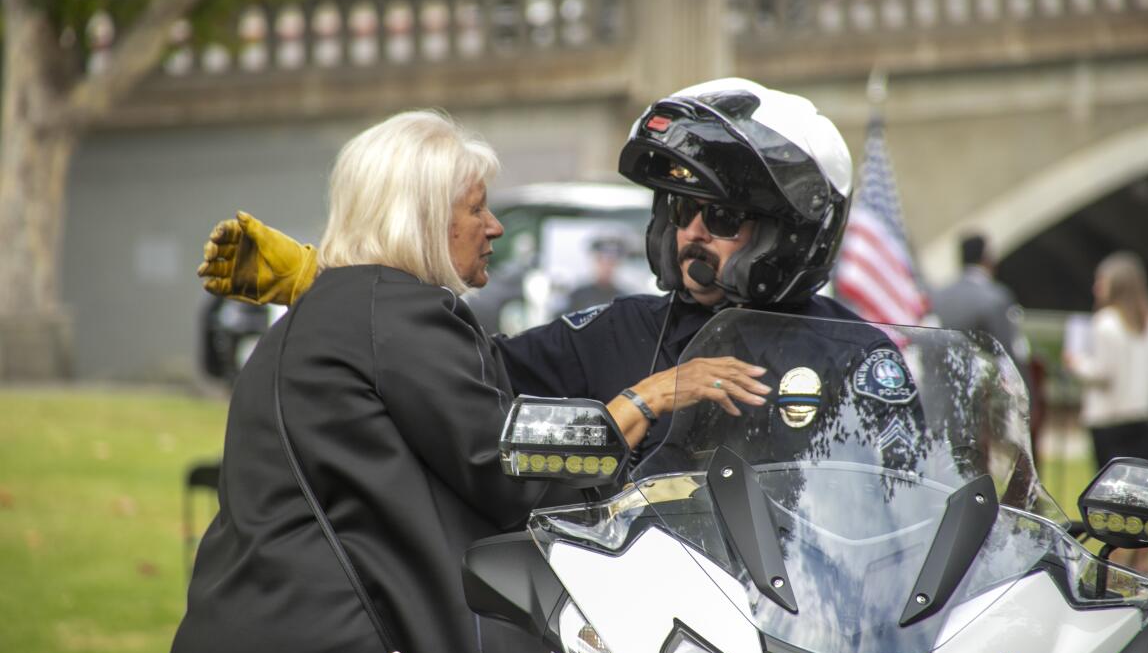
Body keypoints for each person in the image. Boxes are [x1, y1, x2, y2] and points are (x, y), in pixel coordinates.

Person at [166, 110, 749, 653]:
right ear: (419, 220)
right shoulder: (397, 309)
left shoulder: (332, 312)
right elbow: (506, 461)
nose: (494, 226)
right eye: (477, 209)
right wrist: (647, 399)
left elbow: (474, 399)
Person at [197, 78, 858, 455]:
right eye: (680, 210)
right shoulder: (617, 332)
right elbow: (453, 379)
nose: (690, 233)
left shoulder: (855, 354)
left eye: (719, 218)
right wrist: (324, 284)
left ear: (788, 233)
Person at [1065, 251, 1148, 469]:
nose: (1096, 288)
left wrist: (1076, 364)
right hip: (1142, 415)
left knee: (1106, 485)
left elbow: (1102, 372)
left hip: (1108, 418)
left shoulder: (1106, 322)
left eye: (1101, 282)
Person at [931, 233, 1031, 389]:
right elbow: (1009, 351)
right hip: (982, 387)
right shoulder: (997, 297)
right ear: (986, 259)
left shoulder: (939, 295)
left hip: (944, 383)